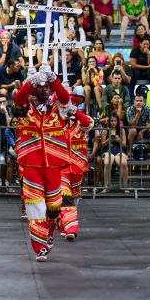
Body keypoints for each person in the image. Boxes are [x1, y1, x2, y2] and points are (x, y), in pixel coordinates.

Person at [13, 63, 71, 262]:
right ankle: (40, 247)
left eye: (47, 87)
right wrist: (30, 82)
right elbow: (17, 97)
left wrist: (53, 78)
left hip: (54, 163)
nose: (44, 90)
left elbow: (66, 97)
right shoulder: (25, 104)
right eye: (41, 86)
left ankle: (49, 233)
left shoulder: (58, 105)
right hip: (31, 162)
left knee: (54, 207)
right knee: (35, 206)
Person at [58, 95, 94, 242]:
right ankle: (71, 229)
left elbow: (88, 124)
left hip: (78, 166)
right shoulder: (58, 122)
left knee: (74, 198)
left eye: (71, 103)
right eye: (66, 103)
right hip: (61, 166)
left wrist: (76, 113)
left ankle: (65, 224)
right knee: (65, 197)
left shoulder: (84, 120)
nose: (68, 106)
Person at [101, 115, 129, 194]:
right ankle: (106, 186)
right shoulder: (106, 130)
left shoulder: (121, 130)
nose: (113, 123)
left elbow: (124, 145)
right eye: (111, 121)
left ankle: (125, 186)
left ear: (117, 122)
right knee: (107, 163)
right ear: (109, 122)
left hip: (118, 150)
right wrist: (109, 139)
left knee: (124, 163)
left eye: (115, 121)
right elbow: (102, 144)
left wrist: (118, 140)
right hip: (108, 150)